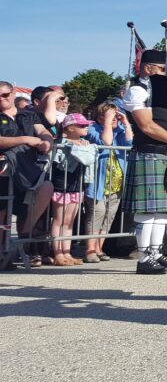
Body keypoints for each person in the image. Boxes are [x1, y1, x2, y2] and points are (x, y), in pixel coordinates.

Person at [123, 50, 167, 275]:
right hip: (149, 153)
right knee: (147, 210)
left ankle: (156, 253)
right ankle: (143, 257)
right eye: (162, 69)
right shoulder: (137, 90)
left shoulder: (161, 93)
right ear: (148, 68)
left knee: (162, 210)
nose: (165, 74)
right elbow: (146, 126)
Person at [0, 82, 55, 267]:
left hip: (30, 169)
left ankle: (24, 235)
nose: (3, 98)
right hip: (5, 171)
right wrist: (26, 139)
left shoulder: (29, 115)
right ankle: (2, 253)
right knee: (2, 212)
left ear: (13, 93)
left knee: (46, 188)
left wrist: (47, 141)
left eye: (6, 94)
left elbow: (43, 131)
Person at [83, 101, 132, 263]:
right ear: (100, 117)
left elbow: (130, 142)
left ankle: (99, 247)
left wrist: (125, 123)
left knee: (109, 216)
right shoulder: (92, 129)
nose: (114, 118)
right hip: (98, 181)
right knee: (97, 214)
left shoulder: (119, 130)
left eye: (115, 115)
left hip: (116, 182)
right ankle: (90, 249)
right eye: (110, 115)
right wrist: (107, 124)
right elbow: (106, 142)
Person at [49, 113, 98, 265]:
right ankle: (58, 253)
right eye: (82, 125)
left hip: (76, 185)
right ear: (70, 128)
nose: (86, 127)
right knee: (59, 220)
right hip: (61, 185)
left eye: (86, 125)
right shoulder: (60, 143)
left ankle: (67, 252)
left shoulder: (85, 143)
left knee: (69, 221)